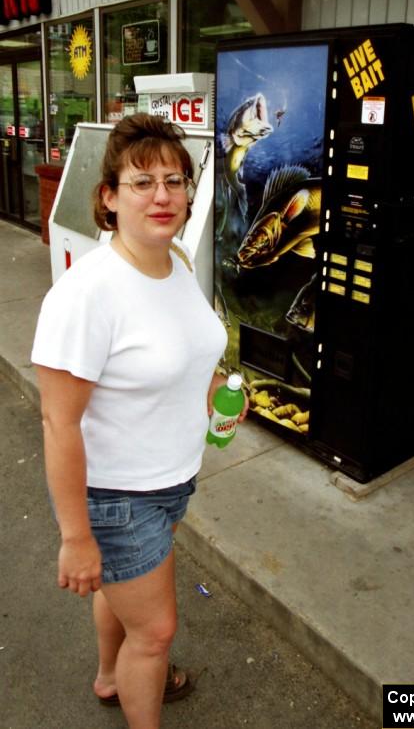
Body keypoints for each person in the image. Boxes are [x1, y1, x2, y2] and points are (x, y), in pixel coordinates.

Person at [31, 113, 247, 729]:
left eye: (175, 181)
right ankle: (138, 686)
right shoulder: (86, 294)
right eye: (142, 181)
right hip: (118, 497)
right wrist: (76, 538)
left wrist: (214, 388)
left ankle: (109, 677)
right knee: (155, 632)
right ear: (108, 196)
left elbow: (182, 348)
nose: (162, 195)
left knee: (122, 593)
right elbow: (58, 423)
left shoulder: (173, 260)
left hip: (170, 479)